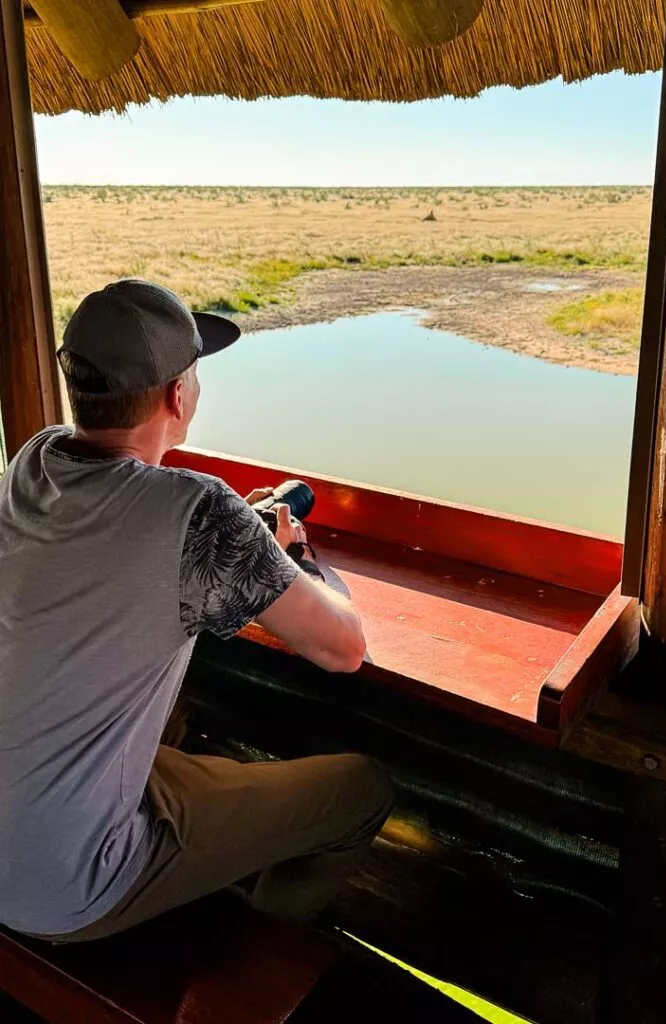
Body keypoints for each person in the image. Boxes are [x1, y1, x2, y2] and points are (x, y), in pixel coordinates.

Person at [0, 279, 393, 942]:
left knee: (179, 739)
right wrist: (290, 561)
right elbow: (341, 647)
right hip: (60, 887)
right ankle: (253, 959)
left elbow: (122, 530)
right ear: (177, 395)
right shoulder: (200, 512)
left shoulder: (32, 462)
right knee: (362, 790)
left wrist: (243, 538)